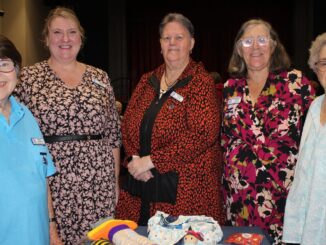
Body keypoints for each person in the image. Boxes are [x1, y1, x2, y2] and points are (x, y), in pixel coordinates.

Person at [14, 7, 121, 244]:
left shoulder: (100, 77)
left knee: (99, 239)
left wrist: (114, 183)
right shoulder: (28, 78)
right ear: (45, 38)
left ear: (81, 37)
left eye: (72, 32)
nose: (65, 39)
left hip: (98, 181)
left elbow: (113, 135)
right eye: (57, 32)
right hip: (54, 182)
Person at [115, 13, 225, 226]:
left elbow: (203, 134)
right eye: (167, 38)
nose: (172, 43)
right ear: (160, 44)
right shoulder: (147, 80)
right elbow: (127, 124)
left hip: (186, 193)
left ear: (191, 43)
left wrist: (152, 162)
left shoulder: (201, 82)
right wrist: (135, 160)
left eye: (179, 37)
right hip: (142, 186)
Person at [221, 19, 315, 244]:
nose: (255, 47)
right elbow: (225, 138)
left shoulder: (296, 83)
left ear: (273, 46)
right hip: (239, 198)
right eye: (247, 41)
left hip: (282, 197)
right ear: (238, 49)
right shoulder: (230, 87)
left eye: (262, 40)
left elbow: (315, 138)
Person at [0, 34, 62, 244]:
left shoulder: (26, 115)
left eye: (4, 64)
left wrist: (52, 228)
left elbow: (42, 176)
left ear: (17, 71)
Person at [283, 33, 326, 245]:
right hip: (309, 228)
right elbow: (302, 175)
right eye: (324, 62)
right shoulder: (315, 106)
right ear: (315, 68)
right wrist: (292, 231)